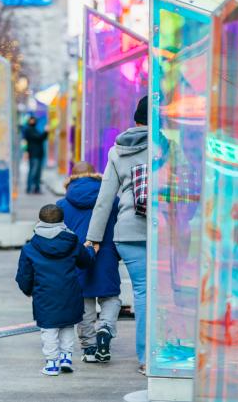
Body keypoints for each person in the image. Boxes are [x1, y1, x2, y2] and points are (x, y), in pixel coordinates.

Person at [86, 95, 149, 375]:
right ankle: (162, 350)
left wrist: (94, 238)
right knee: (163, 294)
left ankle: (147, 357)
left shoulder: (116, 151)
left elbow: (104, 198)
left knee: (142, 292)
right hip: (162, 231)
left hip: (126, 231)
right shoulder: (167, 147)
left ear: (135, 120)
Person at [15, 204, 96, 376]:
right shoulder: (72, 242)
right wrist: (90, 249)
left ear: (39, 221)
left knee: (49, 329)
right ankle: (66, 357)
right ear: (62, 221)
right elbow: (85, 262)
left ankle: (52, 363)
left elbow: (24, 276)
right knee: (67, 325)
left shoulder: (30, 248)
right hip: (70, 292)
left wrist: (28, 290)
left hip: (44, 294)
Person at [57, 161, 121, 364]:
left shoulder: (62, 205)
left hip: (76, 259)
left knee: (83, 303)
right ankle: (105, 328)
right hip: (106, 255)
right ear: (95, 175)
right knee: (110, 298)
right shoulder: (112, 200)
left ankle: (90, 348)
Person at [23, 116, 48, 194]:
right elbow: (39, 138)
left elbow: (41, 138)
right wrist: (45, 131)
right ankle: (29, 188)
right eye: (31, 120)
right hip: (34, 154)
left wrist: (46, 132)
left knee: (37, 173)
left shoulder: (34, 129)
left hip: (38, 154)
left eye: (34, 120)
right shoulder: (29, 130)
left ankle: (36, 188)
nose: (33, 122)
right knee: (33, 172)